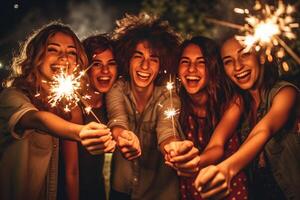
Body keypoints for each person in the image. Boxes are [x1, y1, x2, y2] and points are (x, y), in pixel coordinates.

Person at [0, 22, 114, 200]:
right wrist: (80, 131)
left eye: (71, 52)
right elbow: (38, 119)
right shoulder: (11, 97)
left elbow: (71, 171)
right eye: (53, 50)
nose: (64, 58)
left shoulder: (67, 106)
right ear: (37, 56)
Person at [106, 13, 199, 200]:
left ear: (162, 64)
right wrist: (123, 137)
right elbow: (117, 119)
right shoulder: (117, 89)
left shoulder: (168, 96)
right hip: (122, 189)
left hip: (161, 193)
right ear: (127, 59)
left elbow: (167, 130)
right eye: (138, 56)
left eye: (154, 59)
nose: (145, 65)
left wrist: (174, 148)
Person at [194, 37, 300, 200]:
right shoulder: (239, 104)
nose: (238, 66)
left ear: (260, 55)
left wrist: (226, 169)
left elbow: (264, 130)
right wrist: (193, 162)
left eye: (244, 54)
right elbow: (216, 144)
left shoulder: (285, 93)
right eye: (228, 61)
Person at [164, 36, 248, 200]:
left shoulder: (231, 101)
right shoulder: (176, 102)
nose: (191, 69)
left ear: (212, 67)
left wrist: (194, 163)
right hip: (191, 190)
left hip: (229, 188)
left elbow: (217, 146)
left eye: (200, 62)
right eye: (185, 62)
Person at [79, 34, 118, 200]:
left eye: (111, 64)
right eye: (97, 64)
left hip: (96, 190)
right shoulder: (74, 106)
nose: (105, 71)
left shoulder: (113, 106)